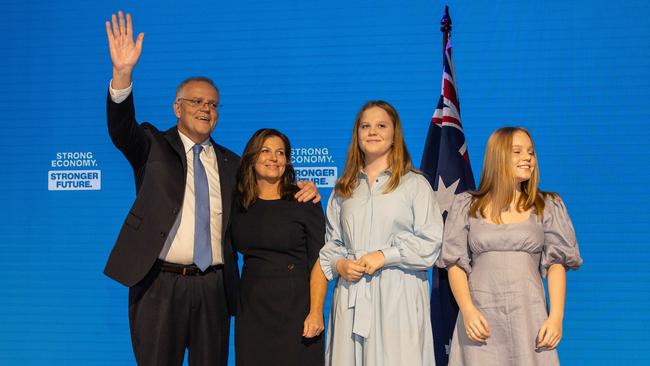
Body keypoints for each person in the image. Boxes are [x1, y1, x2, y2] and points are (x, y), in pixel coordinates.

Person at [103, 11, 318, 365]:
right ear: (177, 107)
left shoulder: (233, 163)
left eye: (212, 104)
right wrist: (122, 75)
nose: (205, 108)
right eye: (196, 102)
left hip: (213, 288)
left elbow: (265, 190)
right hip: (158, 284)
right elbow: (120, 128)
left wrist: (302, 190)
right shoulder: (151, 145)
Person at [437, 127, 583, 365]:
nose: (527, 158)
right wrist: (468, 311)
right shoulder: (466, 205)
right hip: (479, 318)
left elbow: (558, 263)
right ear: (498, 156)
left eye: (531, 152)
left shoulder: (548, 205)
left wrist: (556, 317)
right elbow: (454, 263)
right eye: (517, 151)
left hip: (529, 316)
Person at [318, 101, 443, 366]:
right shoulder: (344, 189)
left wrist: (385, 255)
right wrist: (339, 264)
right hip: (351, 297)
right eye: (366, 126)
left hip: (399, 296)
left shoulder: (414, 184)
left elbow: (430, 243)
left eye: (381, 125)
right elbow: (332, 243)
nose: (372, 131)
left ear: (394, 133)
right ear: (357, 134)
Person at [230, 128, 327, 365]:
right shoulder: (238, 202)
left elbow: (320, 260)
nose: (274, 158)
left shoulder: (304, 200)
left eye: (280, 152)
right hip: (252, 312)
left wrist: (316, 311)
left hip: (297, 310)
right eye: (266, 151)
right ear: (252, 158)